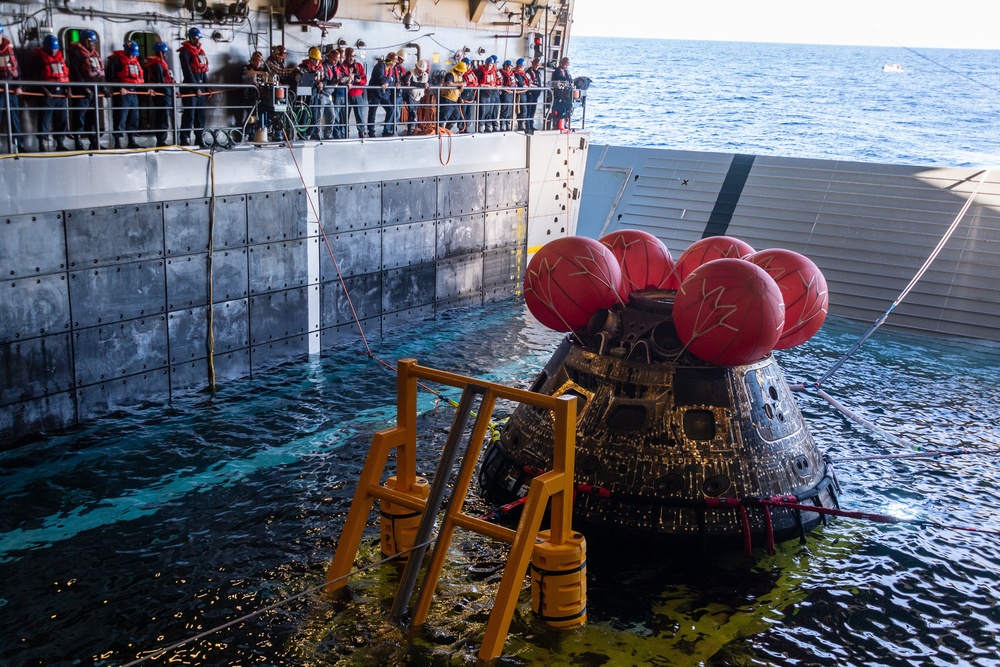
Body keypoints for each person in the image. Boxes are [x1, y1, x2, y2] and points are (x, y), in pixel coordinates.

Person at [68, 30, 104, 150]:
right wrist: (85, 88)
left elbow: (98, 73)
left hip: (94, 90)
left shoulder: (94, 54)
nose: (93, 44)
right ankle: (78, 142)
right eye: (91, 42)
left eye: (94, 42)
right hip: (81, 92)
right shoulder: (75, 53)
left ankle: (93, 141)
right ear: (85, 41)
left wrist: (103, 88)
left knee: (92, 117)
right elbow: (75, 73)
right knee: (79, 116)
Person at [35, 35, 71, 151]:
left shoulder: (61, 58)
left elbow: (66, 76)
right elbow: (34, 77)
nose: (53, 51)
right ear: (45, 47)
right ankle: (42, 143)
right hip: (47, 93)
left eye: (55, 49)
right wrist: (45, 91)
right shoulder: (38, 59)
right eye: (51, 48)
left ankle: (60, 142)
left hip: (61, 92)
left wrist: (68, 90)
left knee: (62, 119)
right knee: (44, 119)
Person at [106, 40, 143, 148]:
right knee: (120, 117)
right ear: (126, 51)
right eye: (131, 53)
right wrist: (119, 87)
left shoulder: (135, 61)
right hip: (121, 94)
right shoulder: (115, 60)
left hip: (133, 92)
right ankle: (117, 142)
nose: (132, 56)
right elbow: (110, 77)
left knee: (134, 117)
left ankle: (132, 140)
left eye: (134, 54)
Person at [178, 27, 209, 145]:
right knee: (189, 114)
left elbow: (203, 70)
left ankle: (199, 137)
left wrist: (206, 88)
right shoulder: (184, 52)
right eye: (195, 38)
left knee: (200, 115)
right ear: (190, 38)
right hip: (190, 87)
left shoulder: (200, 52)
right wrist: (195, 88)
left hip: (200, 86)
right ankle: (184, 138)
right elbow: (187, 71)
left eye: (198, 39)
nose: (197, 41)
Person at [143, 41, 174, 147]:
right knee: (162, 118)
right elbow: (161, 81)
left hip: (165, 93)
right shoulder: (157, 65)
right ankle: (161, 141)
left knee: (162, 117)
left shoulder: (160, 64)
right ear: (160, 53)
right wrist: (168, 92)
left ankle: (161, 139)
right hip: (162, 95)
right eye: (164, 53)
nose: (165, 55)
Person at [0, 21, 24, 153]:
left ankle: (19, 144)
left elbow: (17, 70)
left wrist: (19, 85)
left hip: (10, 90)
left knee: (14, 117)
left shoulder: (10, 50)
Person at [299, 47, 329, 140]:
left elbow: (325, 80)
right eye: (315, 60)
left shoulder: (321, 68)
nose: (317, 62)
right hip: (304, 96)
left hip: (315, 95)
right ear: (311, 58)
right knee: (304, 116)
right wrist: (316, 81)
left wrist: (322, 83)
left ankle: (309, 134)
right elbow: (302, 79)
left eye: (318, 60)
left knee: (314, 117)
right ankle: (302, 136)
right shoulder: (303, 67)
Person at [367, 51, 399, 137]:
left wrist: (388, 82)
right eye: (395, 62)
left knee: (391, 110)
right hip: (375, 93)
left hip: (384, 94)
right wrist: (390, 79)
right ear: (391, 61)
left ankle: (386, 131)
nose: (395, 64)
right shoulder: (380, 66)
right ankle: (371, 132)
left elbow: (393, 81)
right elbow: (381, 79)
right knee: (372, 112)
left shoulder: (391, 69)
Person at [241, 51, 270, 137]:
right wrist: (260, 73)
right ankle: (245, 133)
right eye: (256, 61)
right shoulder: (247, 67)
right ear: (252, 60)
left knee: (260, 115)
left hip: (261, 96)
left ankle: (253, 133)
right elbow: (246, 72)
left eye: (260, 61)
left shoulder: (263, 69)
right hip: (249, 96)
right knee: (251, 115)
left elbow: (269, 76)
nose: (258, 63)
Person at [324, 47, 349, 139]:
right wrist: (337, 81)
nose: (336, 61)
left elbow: (342, 76)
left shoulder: (336, 67)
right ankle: (319, 134)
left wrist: (346, 80)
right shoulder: (325, 66)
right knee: (319, 115)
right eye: (335, 59)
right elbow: (326, 81)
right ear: (330, 58)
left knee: (333, 116)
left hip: (331, 94)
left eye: (338, 60)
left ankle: (329, 135)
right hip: (324, 94)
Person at [342, 47, 366, 137]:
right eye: (348, 57)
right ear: (346, 56)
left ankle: (361, 132)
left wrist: (359, 81)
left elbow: (364, 79)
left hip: (357, 93)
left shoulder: (359, 66)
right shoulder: (342, 65)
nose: (350, 58)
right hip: (346, 94)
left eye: (352, 56)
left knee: (359, 115)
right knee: (345, 115)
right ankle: (345, 133)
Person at [400, 59, 428, 135]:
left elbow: (427, 83)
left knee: (413, 113)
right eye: (420, 70)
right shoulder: (410, 73)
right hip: (410, 95)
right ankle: (409, 130)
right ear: (416, 67)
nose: (421, 72)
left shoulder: (425, 75)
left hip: (418, 96)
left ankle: (411, 130)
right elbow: (410, 83)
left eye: (423, 71)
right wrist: (422, 85)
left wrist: (427, 85)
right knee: (412, 112)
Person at [438, 60, 466, 131]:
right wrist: (460, 84)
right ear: (459, 71)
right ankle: (440, 132)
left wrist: (462, 85)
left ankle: (446, 130)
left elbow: (464, 83)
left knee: (456, 116)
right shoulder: (450, 74)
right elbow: (448, 83)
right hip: (447, 98)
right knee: (444, 117)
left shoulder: (460, 76)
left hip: (454, 99)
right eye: (462, 72)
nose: (463, 73)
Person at [474, 55, 499, 132]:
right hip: (483, 94)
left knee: (489, 111)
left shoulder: (494, 72)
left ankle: (488, 126)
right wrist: (483, 85)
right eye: (487, 64)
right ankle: (480, 127)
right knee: (482, 111)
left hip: (491, 94)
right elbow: (475, 82)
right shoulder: (480, 71)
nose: (489, 66)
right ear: (485, 63)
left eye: (490, 65)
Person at [550, 56, 573, 129]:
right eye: (566, 64)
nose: (566, 66)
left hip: (566, 94)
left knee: (567, 109)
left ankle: (565, 122)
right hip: (559, 93)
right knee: (557, 108)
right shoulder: (557, 72)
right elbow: (556, 81)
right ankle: (556, 122)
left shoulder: (567, 72)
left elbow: (570, 80)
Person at [522, 56, 543, 134]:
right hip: (530, 93)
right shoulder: (528, 72)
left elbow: (539, 82)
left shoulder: (538, 73)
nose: (536, 66)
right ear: (532, 64)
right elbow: (528, 82)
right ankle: (527, 125)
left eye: (538, 65)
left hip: (536, 94)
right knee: (529, 110)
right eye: (535, 64)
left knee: (533, 110)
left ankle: (531, 125)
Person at [458, 57, 478, 133]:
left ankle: (467, 127)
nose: (468, 66)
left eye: (468, 65)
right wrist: (459, 97)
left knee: (469, 112)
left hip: (471, 94)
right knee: (462, 112)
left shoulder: (471, 73)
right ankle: (461, 128)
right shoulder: (460, 74)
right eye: (466, 65)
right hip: (464, 94)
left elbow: (476, 82)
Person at [512, 58, 532, 132]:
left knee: (524, 109)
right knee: (522, 109)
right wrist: (528, 86)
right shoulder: (517, 74)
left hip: (523, 93)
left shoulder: (522, 74)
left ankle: (522, 124)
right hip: (520, 93)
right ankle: (521, 125)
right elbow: (521, 84)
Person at [497, 59, 514, 131]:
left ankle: (508, 123)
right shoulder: (500, 73)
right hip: (504, 93)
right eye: (508, 66)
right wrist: (505, 88)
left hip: (511, 93)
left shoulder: (512, 74)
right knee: (504, 108)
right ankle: (502, 123)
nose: (509, 68)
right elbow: (500, 83)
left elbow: (513, 83)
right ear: (504, 66)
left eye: (511, 66)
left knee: (510, 109)